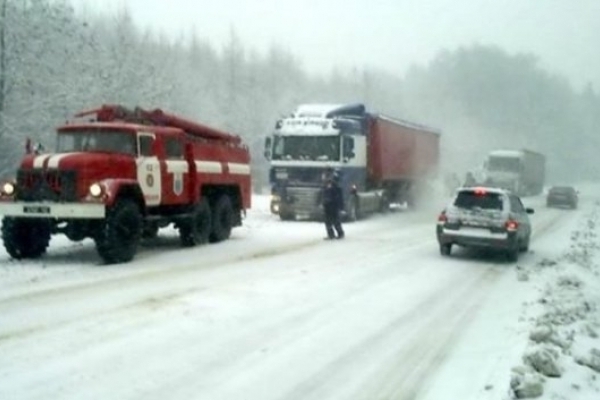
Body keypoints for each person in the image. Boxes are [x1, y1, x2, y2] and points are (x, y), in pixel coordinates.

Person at [321, 170, 345, 240]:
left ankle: (337, 233)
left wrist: (340, 206)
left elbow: (335, 196)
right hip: (329, 205)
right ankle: (335, 234)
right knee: (331, 221)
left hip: (331, 205)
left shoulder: (332, 185)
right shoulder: (329, 185)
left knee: (332, 220)